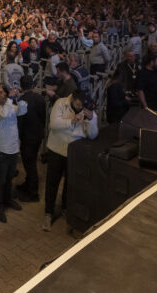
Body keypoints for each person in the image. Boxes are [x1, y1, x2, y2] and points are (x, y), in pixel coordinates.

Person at [43, 90, 98, 232]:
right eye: (78, 104)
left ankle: (66, 208)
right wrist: (72, 120)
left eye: (82, 106)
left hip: (74, 153)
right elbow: (54, 124)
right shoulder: (60, 103)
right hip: (56, 149)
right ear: (73, 99)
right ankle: (48, 212)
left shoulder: (87, 110)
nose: (80, 107)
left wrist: (91, 119)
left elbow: (93, 135)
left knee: (70, 183)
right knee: (52, 182)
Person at [0, 85, 26, 223]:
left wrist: (19, 99)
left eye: (4, 92)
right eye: (0, 93)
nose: (3, 94)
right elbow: (4, 115)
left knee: (9, 178)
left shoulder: (10, 106)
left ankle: (8, 199)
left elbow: (22, 110)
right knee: (0, 180)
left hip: (13, 149)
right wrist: (10, 98)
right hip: (1, 150)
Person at [15, 75, 45, 203]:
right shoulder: (40, 98)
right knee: (31, 162)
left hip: (28, 137)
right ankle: (28, 184)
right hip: (38, 135)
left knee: (30, 164)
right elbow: (43, 117)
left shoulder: (22, 100)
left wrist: (19, 137)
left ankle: (33, 193)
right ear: (32, 85)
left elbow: (20, 122)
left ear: (21, 87)